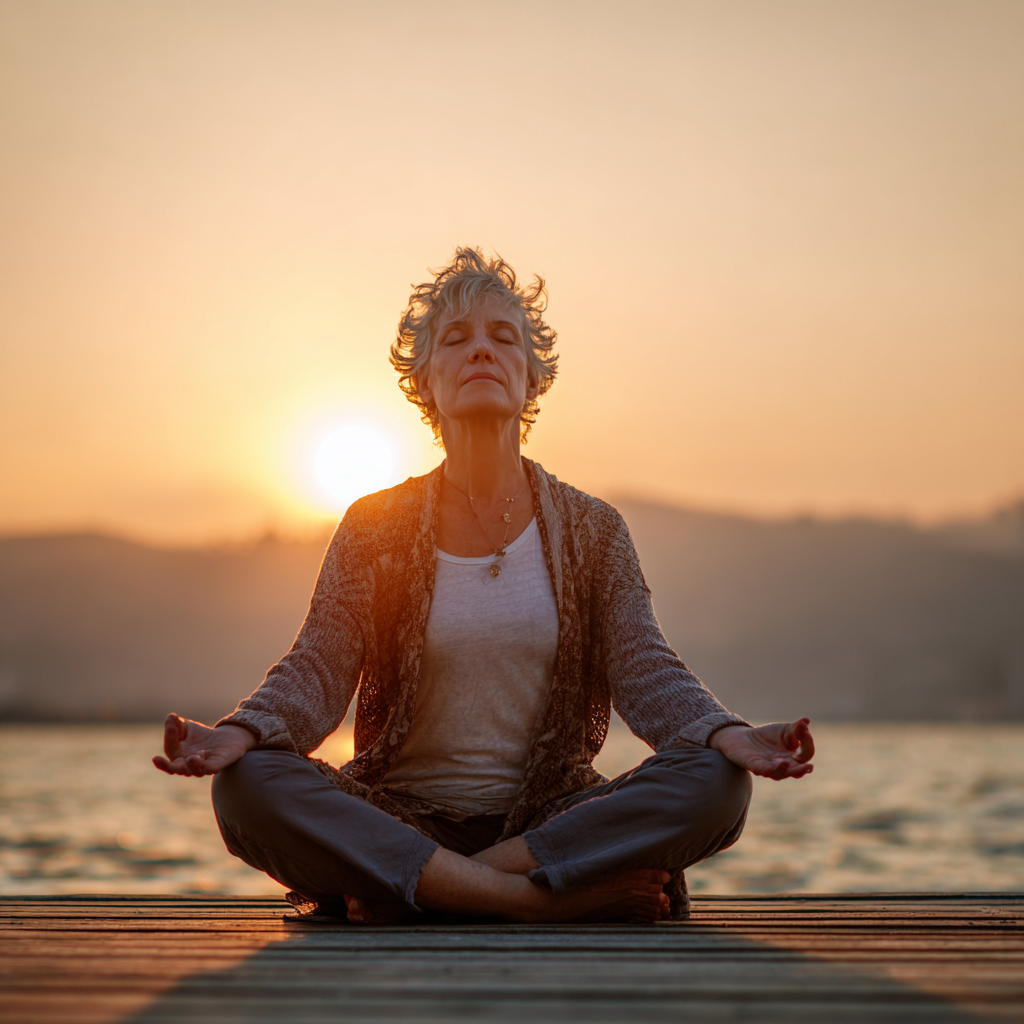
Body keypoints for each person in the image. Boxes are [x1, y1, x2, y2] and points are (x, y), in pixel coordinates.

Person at [153, 248, 815, 924]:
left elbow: (644, 668)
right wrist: (244, 732)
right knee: (247, 788)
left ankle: (424, 890)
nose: (481, 352)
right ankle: (531, 902)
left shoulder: (594, 531)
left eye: (504, 339)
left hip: (549, 824)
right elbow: (317, 666)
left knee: (716, 783)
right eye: (456, 340)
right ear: (426, 381)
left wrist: (723, 733)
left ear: (532, 380)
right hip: (396, 816)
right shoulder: (372, 527)